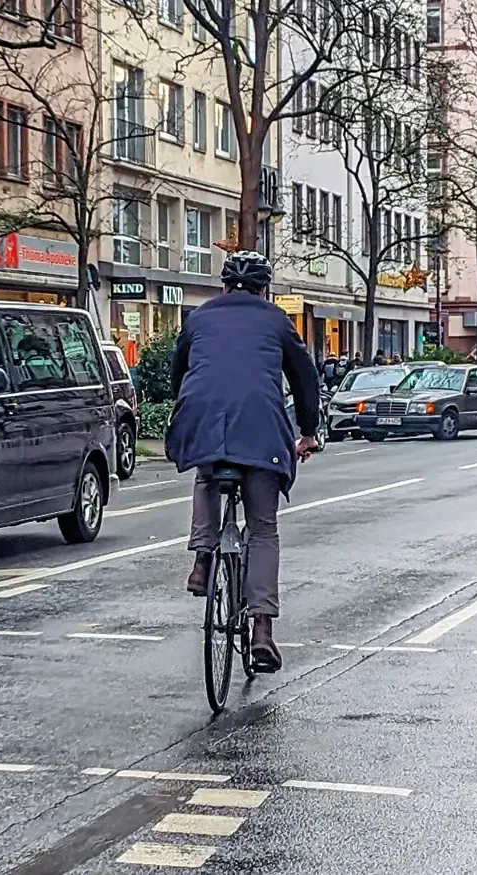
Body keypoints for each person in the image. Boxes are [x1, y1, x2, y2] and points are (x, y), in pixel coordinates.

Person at [166, 250, 321, 673]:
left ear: (223, 285)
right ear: (265, 289)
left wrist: (189, 411)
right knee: (263, 529)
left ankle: (201, 560)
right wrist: (308, 432)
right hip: (261, 431)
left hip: (205, 422)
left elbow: (178, 374)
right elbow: (305, 380)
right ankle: (263, 632)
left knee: (206, 477)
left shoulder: (198, 318)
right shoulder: (276, 320)